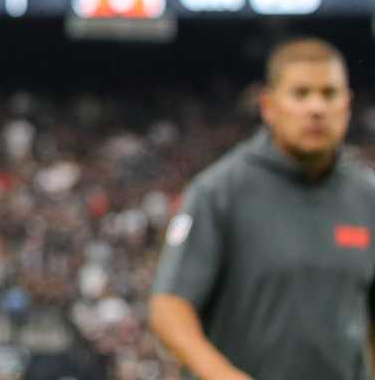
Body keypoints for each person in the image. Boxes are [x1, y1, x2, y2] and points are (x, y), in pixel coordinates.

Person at [149, 38, 375, 380]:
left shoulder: (367, 195)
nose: (316, 108)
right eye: (300, 94)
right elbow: (169, 307)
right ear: (269, 105)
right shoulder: (219, 192)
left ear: (347, 104)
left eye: (329, 94)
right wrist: (223, 376)